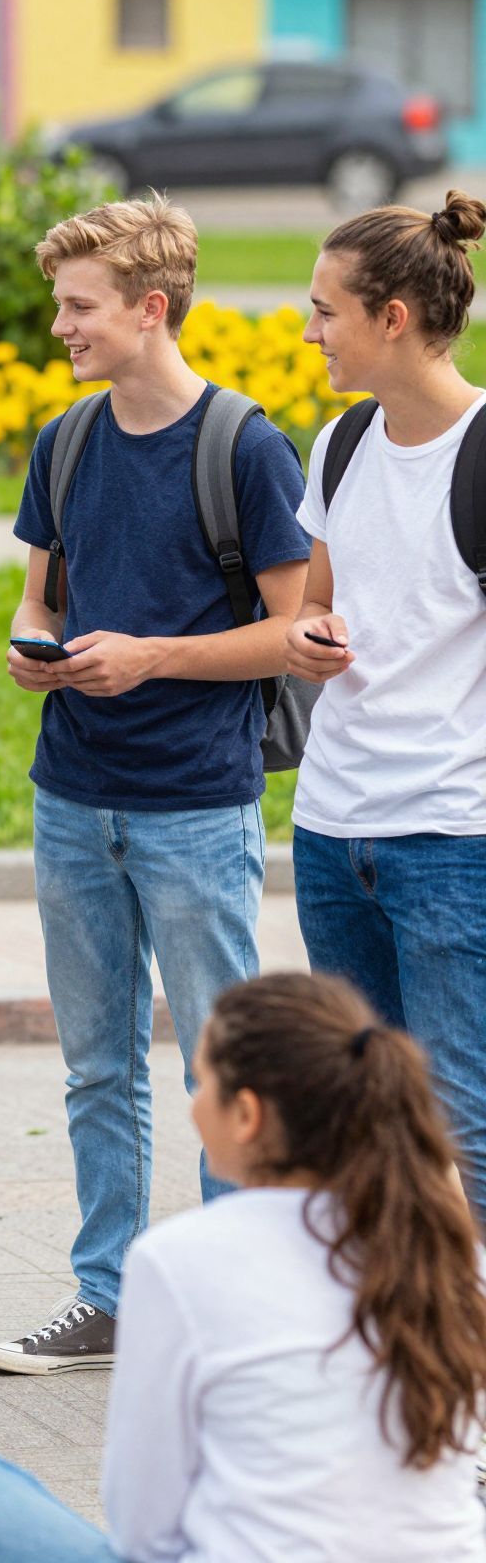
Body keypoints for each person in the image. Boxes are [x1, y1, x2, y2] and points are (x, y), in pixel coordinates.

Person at [0, 971, 486, 1563]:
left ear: (246, 1115)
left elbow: (145, 1536)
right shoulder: (452, 1254)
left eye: (203, 1081)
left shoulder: (183, 1260)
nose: (192, 1103)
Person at [0, 198, 309, 1376]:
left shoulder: (246, 447)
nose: (61, 325)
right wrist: (37, 645)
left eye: (79, 306)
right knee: (97, 1061)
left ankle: (238, 1305)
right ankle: (108, 1294)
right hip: (71, 792)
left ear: (149, 308)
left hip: (194, 800)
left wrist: (152, 657)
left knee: (223, 1062)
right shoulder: (65, 440)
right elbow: (43, 596)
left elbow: (297, 634)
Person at [287, 191, 486, 1226]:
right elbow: (316, 604)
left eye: (326, 311)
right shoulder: (344, 442)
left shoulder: (482, 450)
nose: (311, 331)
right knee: (367, 1107)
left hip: (452, 834)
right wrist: (308, 637)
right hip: (332, 828)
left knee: (463, 1116)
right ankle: (398, 1344)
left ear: (394, 317)